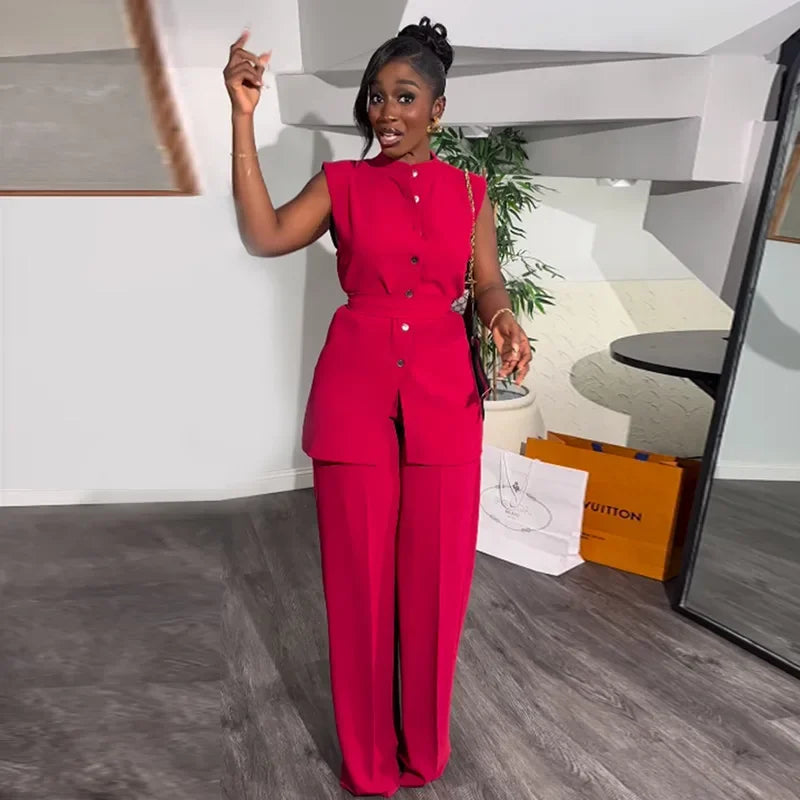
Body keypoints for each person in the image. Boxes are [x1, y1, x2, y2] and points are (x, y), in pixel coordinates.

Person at [224, 17, 532, 797]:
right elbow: (265, 235)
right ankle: (368, 763)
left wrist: (501, 316)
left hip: (445, 395)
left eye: (404, 96)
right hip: (354, 396)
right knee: (359, 585)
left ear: (437, 108)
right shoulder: (343, 184)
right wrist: (242, 118)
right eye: (375, 97)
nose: (386, 112)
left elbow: (488, 278)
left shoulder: (471, 191)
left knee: (437, 585)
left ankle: (424, 750)